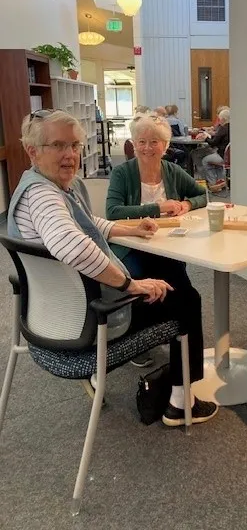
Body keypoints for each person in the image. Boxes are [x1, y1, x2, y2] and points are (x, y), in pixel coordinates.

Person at [8, 110, 217, 427]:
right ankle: (181, 402)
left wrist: (129, 230)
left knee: (169, 278)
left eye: (75, 145)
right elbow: (73, 246)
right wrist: (131, 286)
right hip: (87, 320)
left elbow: (86, 224)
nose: (70, 155)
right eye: (58, 146)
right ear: (32, 151)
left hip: (50, 313)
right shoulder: (43, 197)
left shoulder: (44, 185)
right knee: (185, 299)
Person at [107, 114, 206, 289]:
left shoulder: (173, 171)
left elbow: (203, 195)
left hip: (166, 243)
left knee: (185, 294)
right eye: (141, 141)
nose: (147, 148)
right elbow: (113, 212)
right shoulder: (121, 173)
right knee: (142, 283)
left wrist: (187, 204)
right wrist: (157, 207)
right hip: (131, 245)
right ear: (134, 144)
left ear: (165, 145)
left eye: (154, 142)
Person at [193, 108, 230, 192]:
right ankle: (220, 181)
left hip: (222, 156)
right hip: (228, 156)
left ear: (223, 119)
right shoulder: (231, 128)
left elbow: (213, 143)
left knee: (205, 160)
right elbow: (217, 139)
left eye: (220, 119)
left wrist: (206, 137)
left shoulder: (223, 128)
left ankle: (212, 184)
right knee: (213, 160)